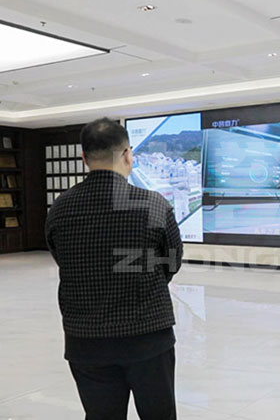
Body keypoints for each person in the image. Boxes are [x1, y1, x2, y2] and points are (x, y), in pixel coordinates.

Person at [45, 118, 183, 420]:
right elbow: (172, 263)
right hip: (148, 336)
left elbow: (61, 257)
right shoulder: (153, 204)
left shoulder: (60, 208)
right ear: (127, 155)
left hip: (86, 340)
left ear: (84, 158)